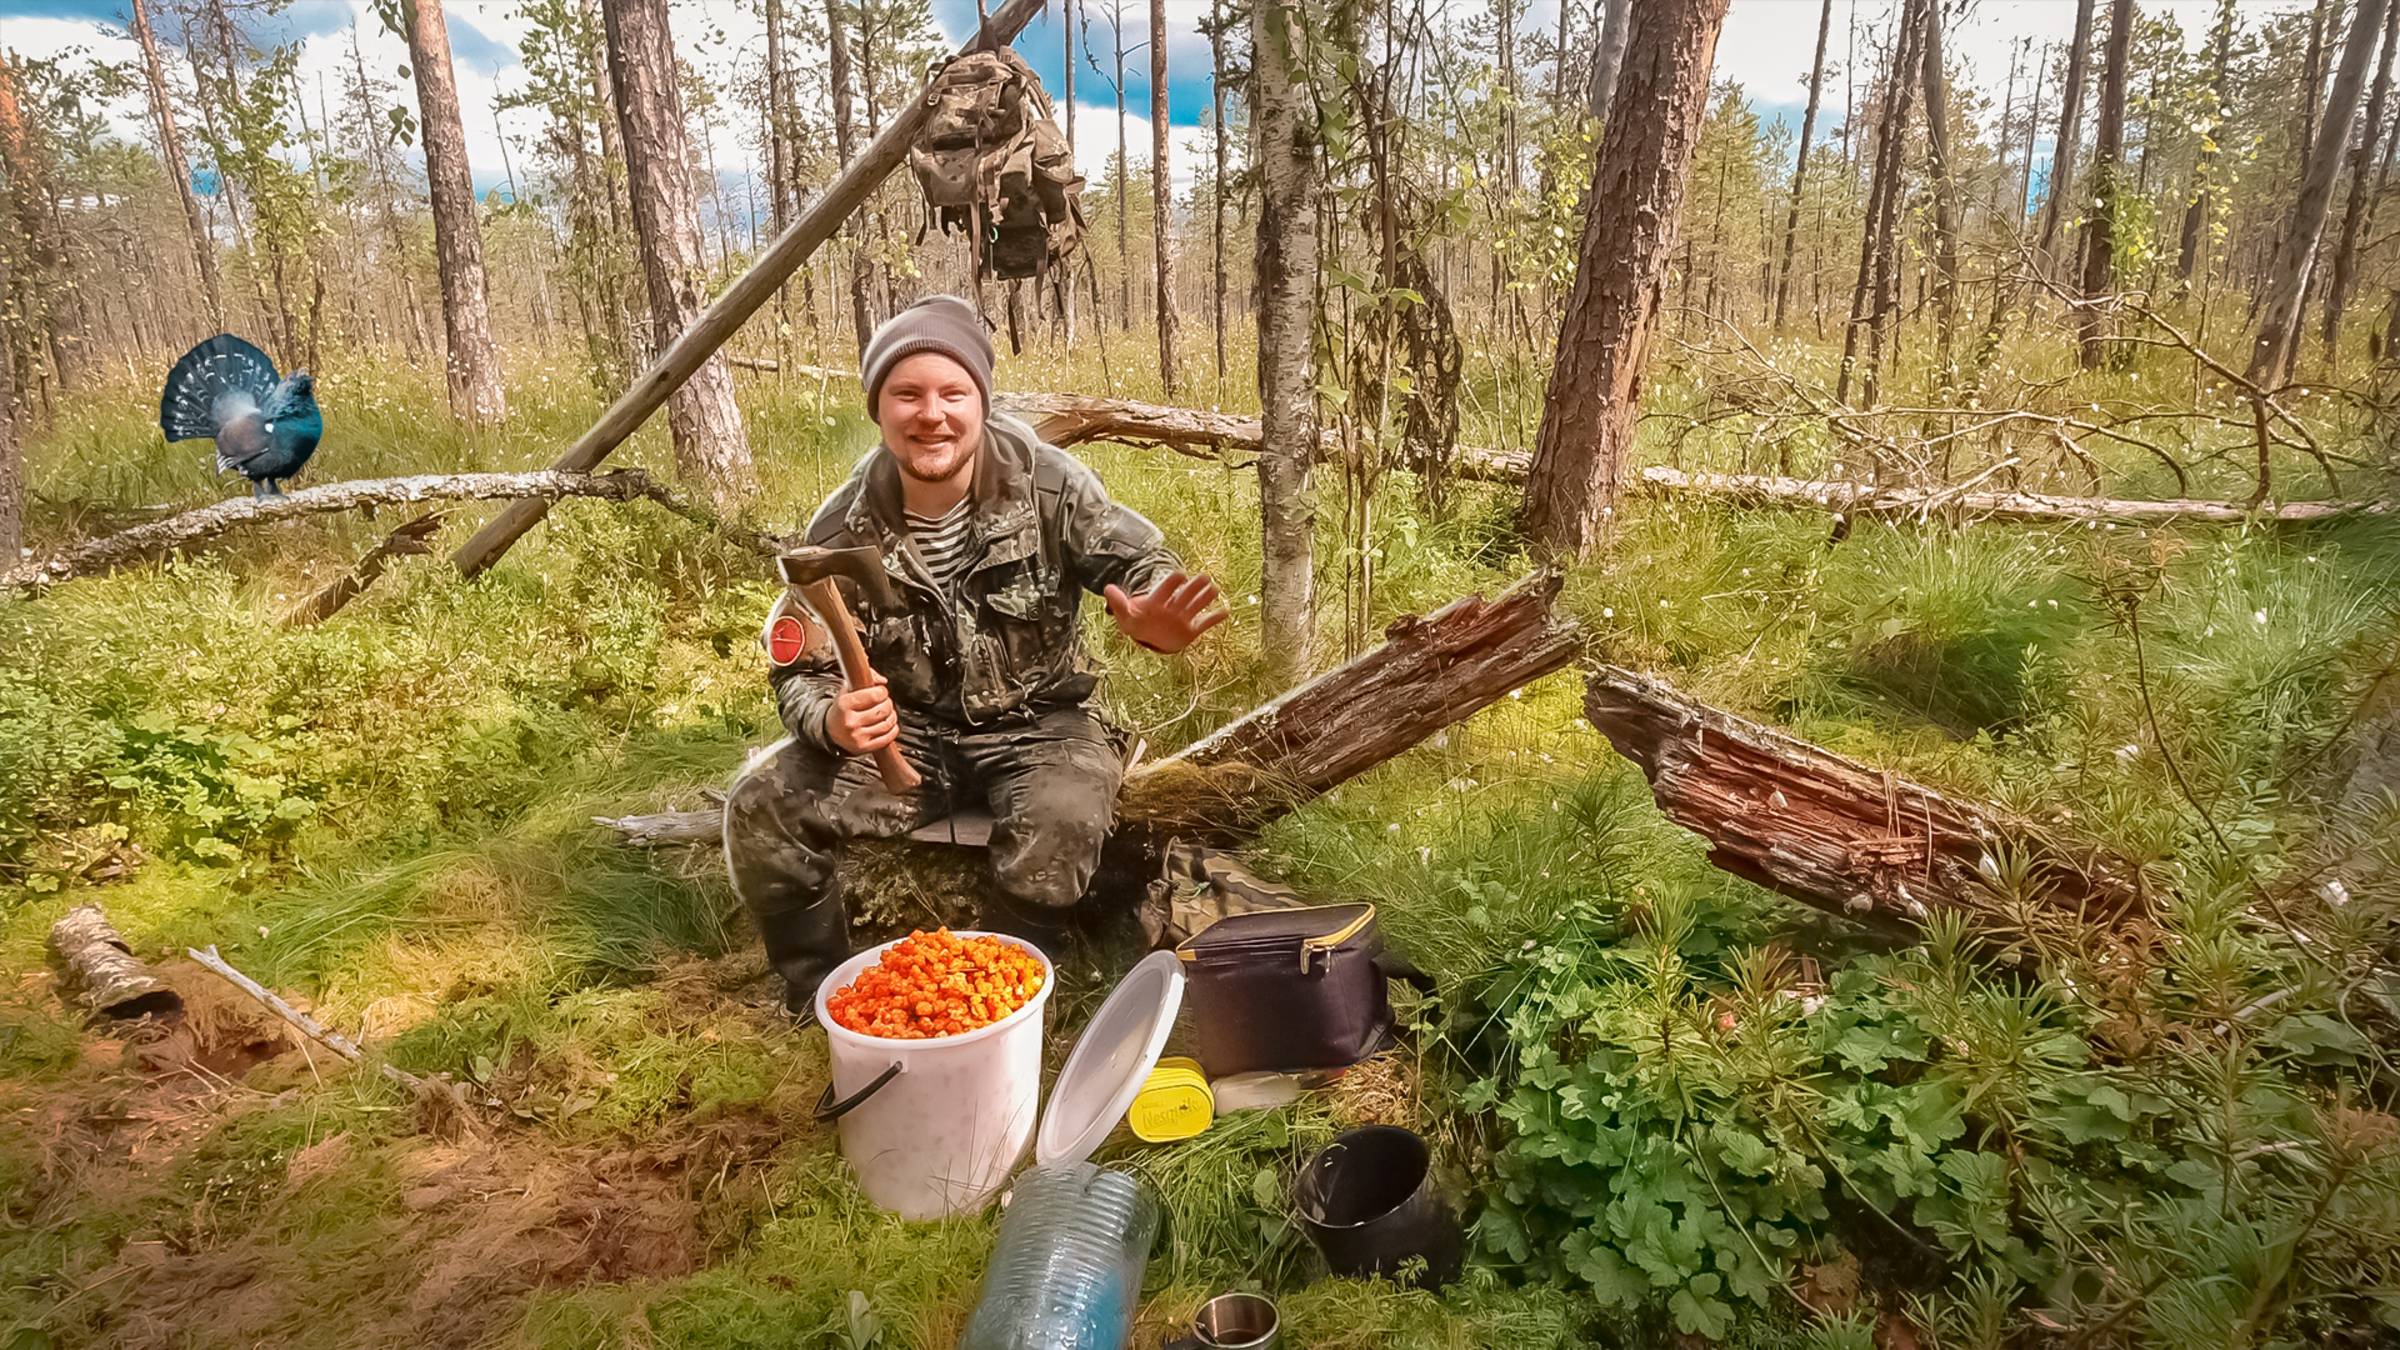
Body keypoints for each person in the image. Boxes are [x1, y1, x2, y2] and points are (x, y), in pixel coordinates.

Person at [724, 296, 1228, 1015]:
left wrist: (1154, 620)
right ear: (879, 409)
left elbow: (1142, 564)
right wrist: (831, 721)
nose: (932, 414)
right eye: (907, 394)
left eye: (952, 393)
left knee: (1063, 812)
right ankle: (817, 997)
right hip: (910, 739)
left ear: (980, 403)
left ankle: (1004, 995)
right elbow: (799, 667)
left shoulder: (1048, 483)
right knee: (759, 805)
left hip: (1041, 725)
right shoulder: (842, 525)